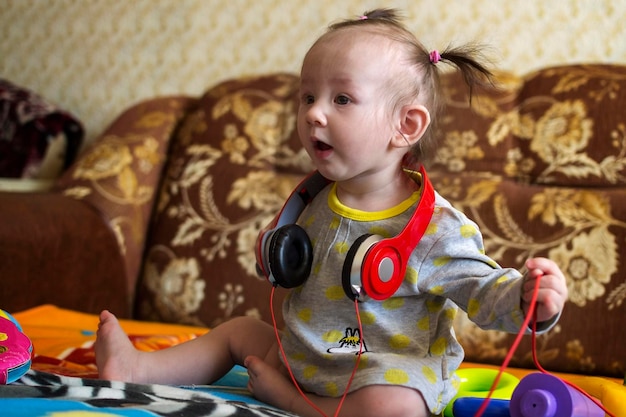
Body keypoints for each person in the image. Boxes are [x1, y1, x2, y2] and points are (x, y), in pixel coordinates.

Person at [95, 8, 568, 417]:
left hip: (381, 377)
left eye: (341, 99)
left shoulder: (434, 229)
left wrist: (528, 298)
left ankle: (302, 407)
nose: (314, 114)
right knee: (238, 332)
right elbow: (296, 263)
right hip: (305, 358)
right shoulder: (312, 199)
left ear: (405, 125)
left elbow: (484, 292)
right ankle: (138, 368)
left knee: (399, 407)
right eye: (307, 96)